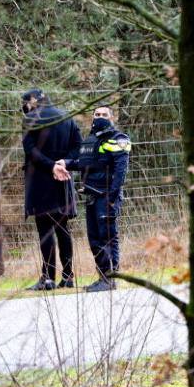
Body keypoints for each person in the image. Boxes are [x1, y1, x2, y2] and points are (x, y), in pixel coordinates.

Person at [54, 106, 131, 292]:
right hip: (91, 196)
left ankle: (110, 279)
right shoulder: (90, 141)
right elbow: (84, 164)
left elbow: (121, 171)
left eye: (105, 115)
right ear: (92, 117)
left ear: (112, 118)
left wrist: (112, 197)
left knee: (108, 237)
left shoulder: (119, 139)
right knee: (94, 239)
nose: (100, 117)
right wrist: (65, 163)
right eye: (97, 114)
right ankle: (103, 277)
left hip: (106, 196)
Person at [22, 89, 82, 291]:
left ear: (32, 101)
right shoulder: (68, 117)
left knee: (45, 230)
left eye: (26, 103)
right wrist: (63, 163)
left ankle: (48, 278)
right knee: (63, 229)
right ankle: (68, 276)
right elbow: (78, 147)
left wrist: (51, 166)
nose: (25, 108)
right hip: (63, 179)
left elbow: (31, 150)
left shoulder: (31, 118)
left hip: (41, 180)